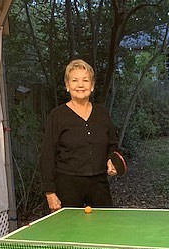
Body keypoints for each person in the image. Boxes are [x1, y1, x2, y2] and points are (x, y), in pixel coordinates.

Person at [40, 59, 119, 212]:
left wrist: (112, 160)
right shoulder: (57, 116)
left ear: (92, 85)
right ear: (67, 86)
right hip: (67, 185)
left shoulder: (102, 114)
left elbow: (112, 145)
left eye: (85, 80)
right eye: (74, 80)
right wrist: (50, 192)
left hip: (99, 184)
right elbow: (47, 155)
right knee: (67, 233)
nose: (80, 85)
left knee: (105, 230)